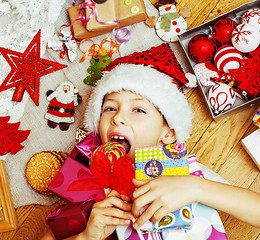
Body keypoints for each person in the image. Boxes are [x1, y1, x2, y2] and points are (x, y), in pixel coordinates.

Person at [41, 49, 260, 240]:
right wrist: (88, 237)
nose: (117, 118)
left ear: (169, 133)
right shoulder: (92, 190)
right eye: (109, 109)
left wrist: (196, 187)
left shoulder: (186, 174)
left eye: (138, 110)